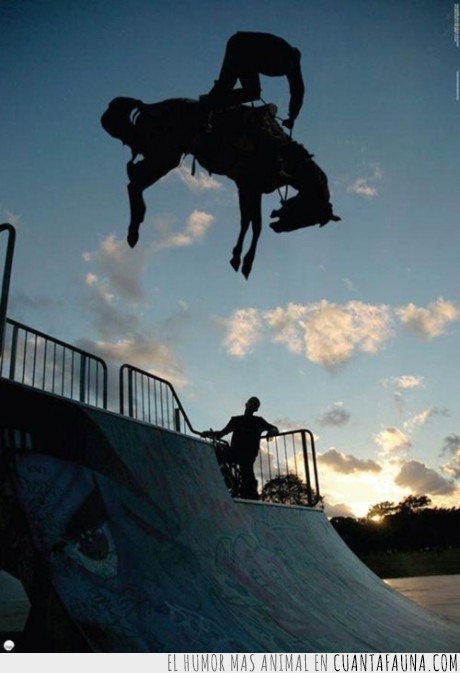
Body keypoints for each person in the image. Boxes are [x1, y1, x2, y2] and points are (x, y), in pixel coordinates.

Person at [200, 31, 305, 130]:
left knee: (251, 92)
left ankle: (212, 103)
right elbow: (298, 89)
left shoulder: (293, 66)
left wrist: (293, 116)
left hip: (244, 50)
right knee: (230, 84)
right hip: (242, 47)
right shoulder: (278, 48)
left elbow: (298, 90)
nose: (286, 67)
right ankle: (208, 107)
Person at [201, 396, 279, 499]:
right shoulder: (236, 420)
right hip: (235, 451)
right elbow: (222, 433)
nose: (251, 405)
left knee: (246, 473)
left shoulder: (258, 421)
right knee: (217, 451)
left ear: (256, 409)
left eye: (255, 404)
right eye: (251, 402)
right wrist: (210, 433)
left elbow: (274, 428)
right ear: (246, 404)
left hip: (248, 454)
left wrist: (271, 431)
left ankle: (249, 493)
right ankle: (224, 477)